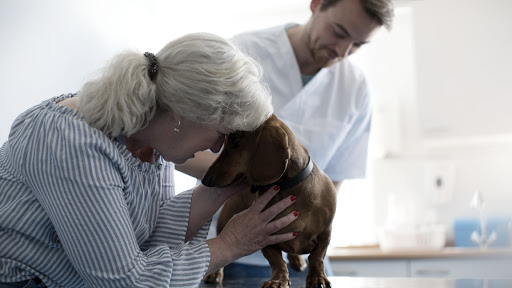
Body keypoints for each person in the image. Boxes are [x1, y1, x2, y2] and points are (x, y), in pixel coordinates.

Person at [0, 32, 301, 288]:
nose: (216, 149)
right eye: (221, 134)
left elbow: (148, 242)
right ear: (183, 114)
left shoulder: (151, 139)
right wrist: (231, 244)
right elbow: (123, 279)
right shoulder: (71, 141)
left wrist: (219, 191)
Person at [177, 0, 395, 280]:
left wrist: (300, 230)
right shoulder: (241, 55)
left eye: (358, 45)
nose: (342, 51)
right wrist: (247, 176)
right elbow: (179, 144)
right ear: (316, 5)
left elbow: (334, 180)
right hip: (223, 249)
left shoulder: (356, 89)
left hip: (300, 256)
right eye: (339, 32)